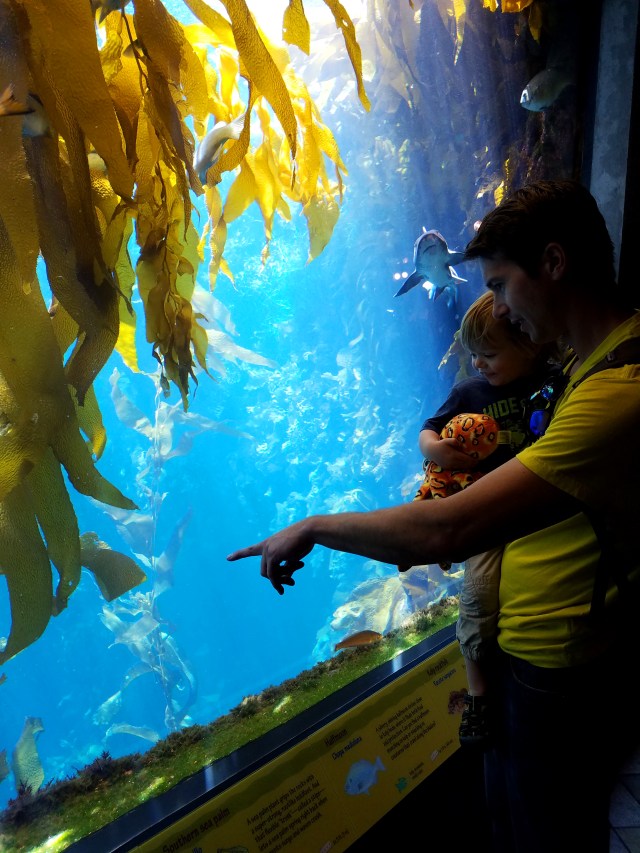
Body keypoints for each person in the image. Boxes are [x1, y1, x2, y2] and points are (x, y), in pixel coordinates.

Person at [228, 180, 640, 852]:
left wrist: (314, 524)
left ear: (556, 264)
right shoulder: (590, 365)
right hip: (529, 657)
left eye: (502, 284)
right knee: (514, 822)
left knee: (549, 835)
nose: (498, 307)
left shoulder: (617, 394)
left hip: (559, 670)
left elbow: (445, 531)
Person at [407, 290, 561, 748]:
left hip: (539, 507)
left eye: (488, 354)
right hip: (487, 514)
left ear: (529, 344)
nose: (478, 364)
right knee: (476, 597)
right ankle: (477, 695)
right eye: (472, 354)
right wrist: (438, 451)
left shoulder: (553, 383)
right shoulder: (468, 392)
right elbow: (428, 431)